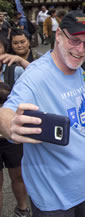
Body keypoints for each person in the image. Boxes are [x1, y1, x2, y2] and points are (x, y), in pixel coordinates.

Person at [0, 11, 85, 216]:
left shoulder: (81, 70)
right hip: (56, 201)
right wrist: (10, 125)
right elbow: (7, 112)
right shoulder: (35, 76)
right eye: (75, 40)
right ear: (58, 36)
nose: (81, 50)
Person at [0, 34, 30, 217]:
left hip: (12, 135)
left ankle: (22, 208)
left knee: (17, 176)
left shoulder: (15, 70)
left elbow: (39, 77)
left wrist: (20, 60)